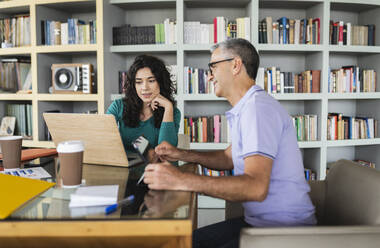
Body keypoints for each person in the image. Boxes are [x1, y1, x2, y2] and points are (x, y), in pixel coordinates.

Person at [143, 39, 316, 248]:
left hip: (282, 232)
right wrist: (182, 154)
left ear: (235, 65)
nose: (209, 75)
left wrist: (181, 180)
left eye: (213, 66)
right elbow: (228, 157)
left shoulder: (258, 109)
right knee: (184, 242)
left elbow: (256, 187)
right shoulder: (248, 107)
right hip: (260, 224)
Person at [107, 54, 181, 155]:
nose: (144, 87)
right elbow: (103, 138)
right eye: (139, 82)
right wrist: (147, 151)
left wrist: (168, 107)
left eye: (151, 81)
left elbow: (166, 151)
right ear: (133, 85)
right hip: (125, 168)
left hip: (159, 169)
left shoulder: (173, 112)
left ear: (161, 82)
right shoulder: (118, 106)